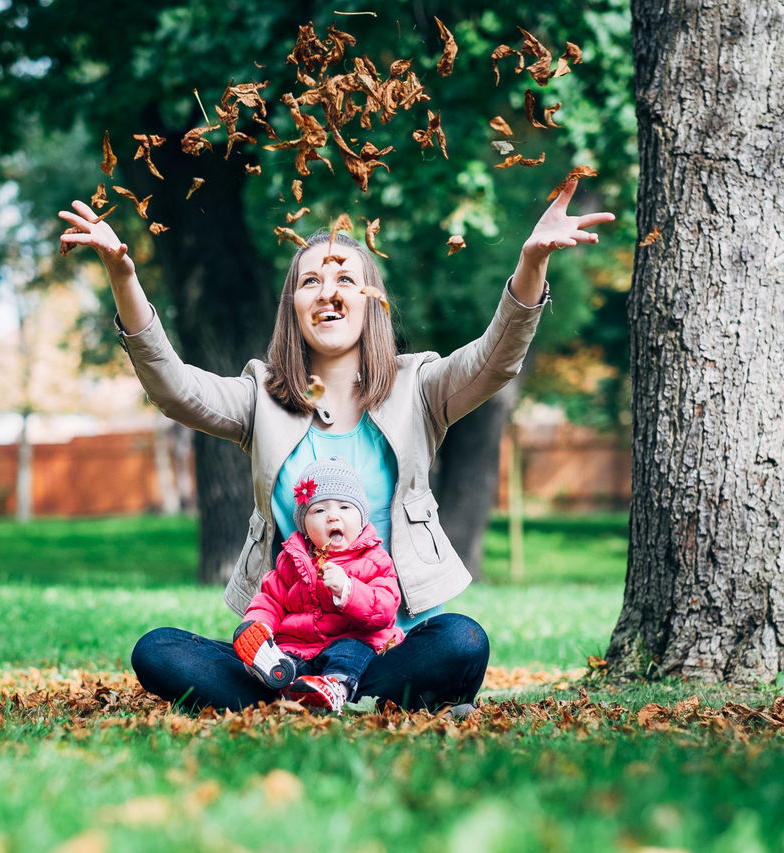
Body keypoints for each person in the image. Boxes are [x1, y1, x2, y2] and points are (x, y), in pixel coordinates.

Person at [59, 180, 613, 712]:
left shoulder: (418, 388)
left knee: (462, 640)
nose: (328, 292)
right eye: (310, 282)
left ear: (371, 301)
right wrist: (124, 276)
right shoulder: (261, 398)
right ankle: (311, 692)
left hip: (391, 645)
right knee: (158, 650)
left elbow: (495, 360)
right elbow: (175, 389)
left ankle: (331, 693)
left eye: (346, 279)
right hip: (291, 648)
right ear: (292, 307)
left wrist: (532, 263)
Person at [234, 455, 404, 714]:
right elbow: (270, 599)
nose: (333, 517)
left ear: (362, 519)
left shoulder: (375, 559)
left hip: (356, 640)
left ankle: (335, 688)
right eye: (319, 510)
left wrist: (348, 590)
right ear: (304, 525)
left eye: (345, 508)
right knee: (289, 659)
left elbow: (385, 608)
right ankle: (282, 676)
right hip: (301, 649)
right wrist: (259, 624)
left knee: (348, 652)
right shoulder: (291, 560)